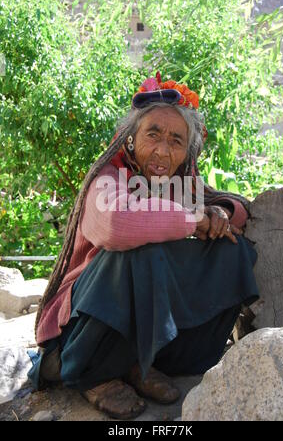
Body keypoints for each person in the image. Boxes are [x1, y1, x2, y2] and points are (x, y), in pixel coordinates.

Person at [28, 72, 259, 420]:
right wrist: (193, 219)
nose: (163, 150)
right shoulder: (108, 177)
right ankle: (97, 374)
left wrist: (218, 213)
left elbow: (236, 208)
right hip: (79, 332)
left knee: (233, 250)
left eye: (176, 141)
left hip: (139, 333)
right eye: (153, 134)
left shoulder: (182, 181)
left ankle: (142, 363)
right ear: (131, 140)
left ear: (186, 152)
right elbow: (117, 225)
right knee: (140, 249)